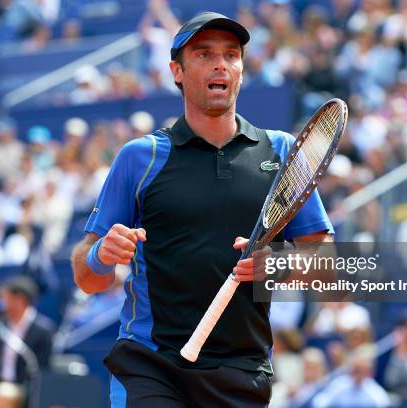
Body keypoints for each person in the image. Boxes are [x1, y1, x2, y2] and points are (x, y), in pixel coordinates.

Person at [71, 11, 333, 407]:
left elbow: (330, 268)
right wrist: (101, 254)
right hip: (151, 364)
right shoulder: (140, 157)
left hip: (243, 371)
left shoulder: (282, 153)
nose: (220, 64)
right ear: (176, 71)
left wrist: (278, 263)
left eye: (231, 54)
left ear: (241, 69)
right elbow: (86, 277)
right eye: (205, 54)